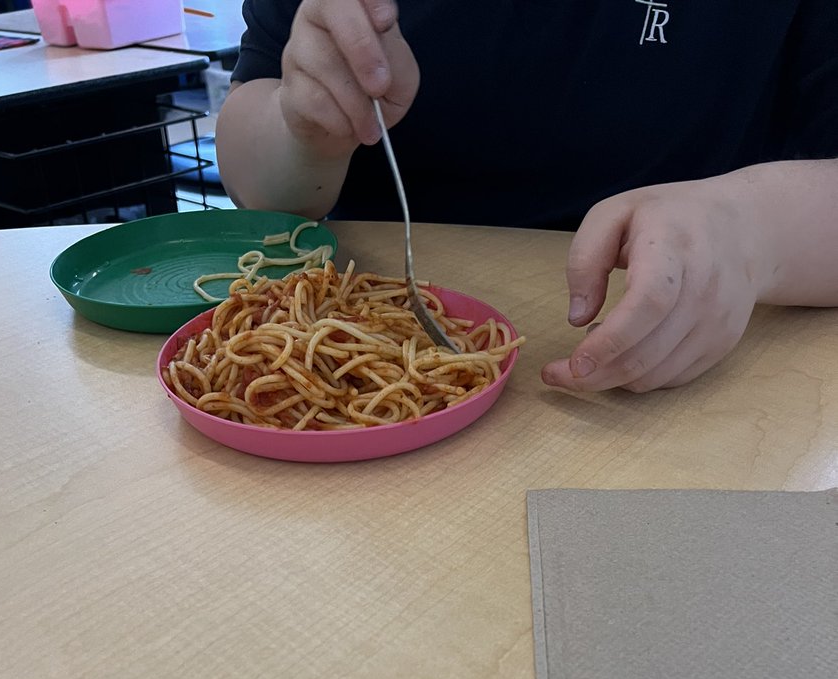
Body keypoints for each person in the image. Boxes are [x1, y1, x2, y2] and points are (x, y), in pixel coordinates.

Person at [216, 0, 838, 393]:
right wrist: (304, 127)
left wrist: (755, 228)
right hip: (347, 334)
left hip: (695, 382)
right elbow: (264, 190)